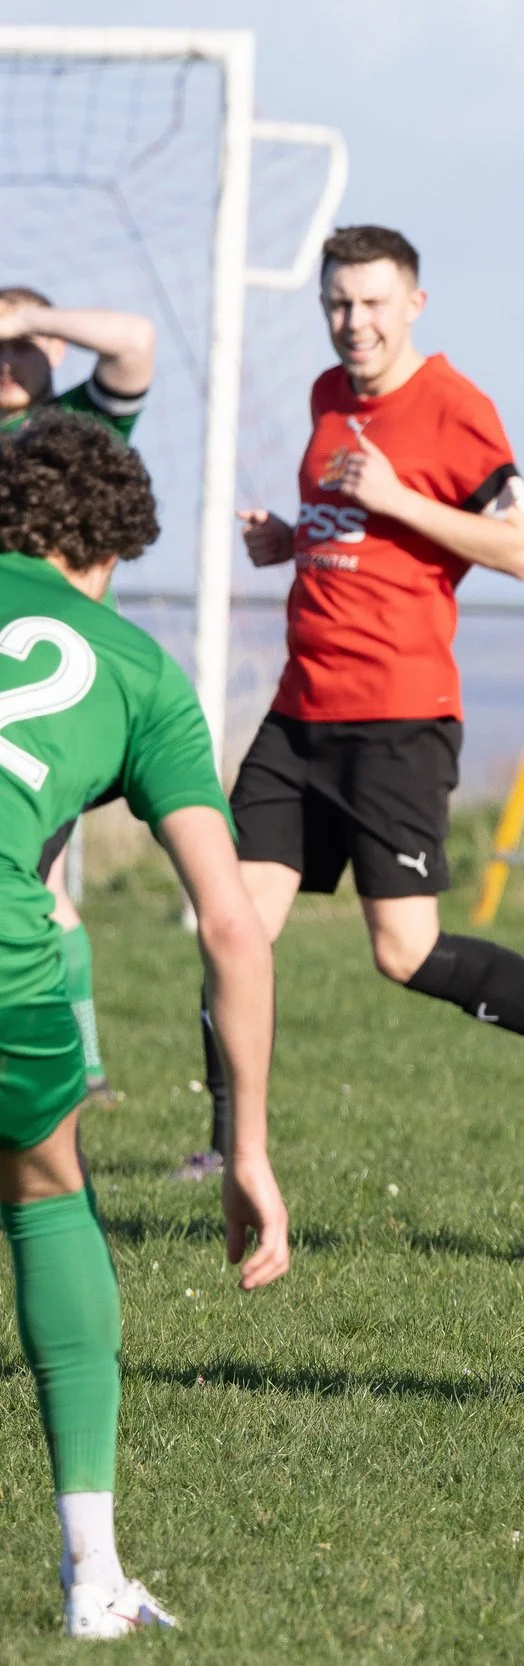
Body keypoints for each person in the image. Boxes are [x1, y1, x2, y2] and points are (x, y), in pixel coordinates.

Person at [220, 225, 524, 1177]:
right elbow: (352, 528)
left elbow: (519, 549)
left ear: (414, 304)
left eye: (374, 303)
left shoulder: (456, 407)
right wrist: (295, 541)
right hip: (299, 712)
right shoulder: (326, 396)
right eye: (338, 304)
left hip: (397, 718)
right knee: (232, 924)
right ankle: (227, 1153)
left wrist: (393, 498)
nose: (355, 322)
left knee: (404, 952)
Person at [0, 411, 291, 1636]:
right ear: (112, 551)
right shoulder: (133, 669)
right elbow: (232, 925)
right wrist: (248, 1150)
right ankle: (92, 1577)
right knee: (42, 1189)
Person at [0, 288, 156, 1113]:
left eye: (18, 344)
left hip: (49, 692)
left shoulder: (71, 434)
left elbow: (134, 338)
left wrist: (29, 319)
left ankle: (80, 1065)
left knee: (36, 877)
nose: (6, 363)